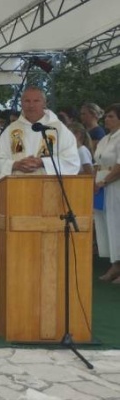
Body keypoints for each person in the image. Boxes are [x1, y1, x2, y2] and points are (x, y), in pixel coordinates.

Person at [0, 88, 80, 180]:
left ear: (44, 103)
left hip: (49, 185)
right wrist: (16, 165)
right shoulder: (11, 130)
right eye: (27, 101)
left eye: (36, 101)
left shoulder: (58, 129)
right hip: (18, 185)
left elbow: (71, 161)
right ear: (21, 104)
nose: (31, 105)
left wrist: (43, 162)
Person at [94, 104, 120, 283]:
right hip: (101, 185)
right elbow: (97, 163)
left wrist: (106, 180)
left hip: (115, 184)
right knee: (107, 223)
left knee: (117, 223)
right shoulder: (104, 139)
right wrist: (95, 182)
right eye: (107, 116)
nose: (107, 119)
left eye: (111, 116)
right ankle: (115, 264)